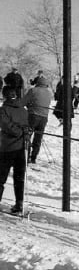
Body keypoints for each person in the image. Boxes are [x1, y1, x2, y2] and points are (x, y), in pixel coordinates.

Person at [0, 87, 31, 215]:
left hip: (8, 148)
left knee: (1, 177)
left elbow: (6, 125)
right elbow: (28, 126)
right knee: (19, 177)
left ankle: (19, 204)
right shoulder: (23, 109)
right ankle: (19, 203)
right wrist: (25, 133)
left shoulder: (4, 109)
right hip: (22, 148)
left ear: (5, 96)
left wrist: (19, 132)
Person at [22, 76, 53, 165]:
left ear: (38, 83)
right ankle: (33, 158)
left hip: (33, 116)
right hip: (44, 118)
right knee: (38, 138)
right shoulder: (49, 92)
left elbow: (24, 102)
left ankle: (26, 157)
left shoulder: (33, 90)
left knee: (27, 136)